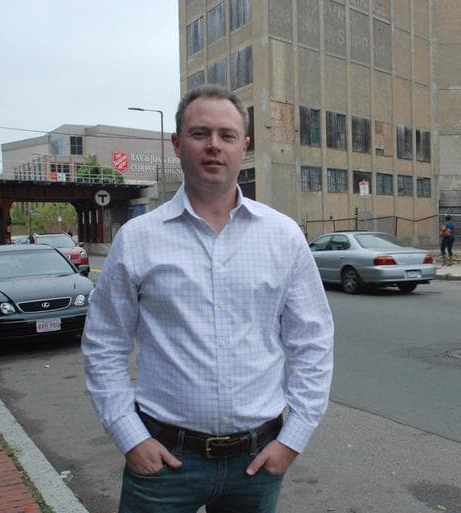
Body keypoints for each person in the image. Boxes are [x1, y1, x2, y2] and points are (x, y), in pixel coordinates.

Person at [82, 84, 334, 513]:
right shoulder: (139, 239)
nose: (214, 146)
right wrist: (129, 435)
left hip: (257, 464)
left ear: (244, 147)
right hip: (162, 463)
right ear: (177, 144)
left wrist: (293, 440)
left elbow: (313, 341)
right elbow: (105, 343)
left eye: (227, 135)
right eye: (200, 134)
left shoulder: (284, 237)